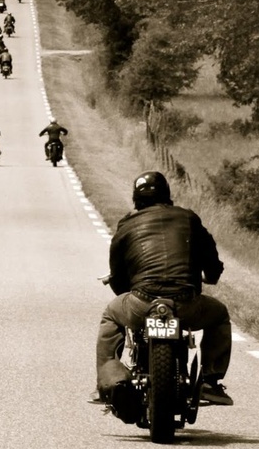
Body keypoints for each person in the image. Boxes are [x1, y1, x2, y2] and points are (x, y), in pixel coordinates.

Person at [94, 170, 233, 406]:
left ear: (136, 199)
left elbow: (117, 276)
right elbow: (211, 258)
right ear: (167, 195)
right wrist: (210, 275)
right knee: (219, 315)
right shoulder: (189, 218)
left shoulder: (126, 225)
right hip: (185, 304)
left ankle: (108, 384)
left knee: (111, 314)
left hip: (141, 301)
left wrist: (127, 292)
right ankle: (210, 382)